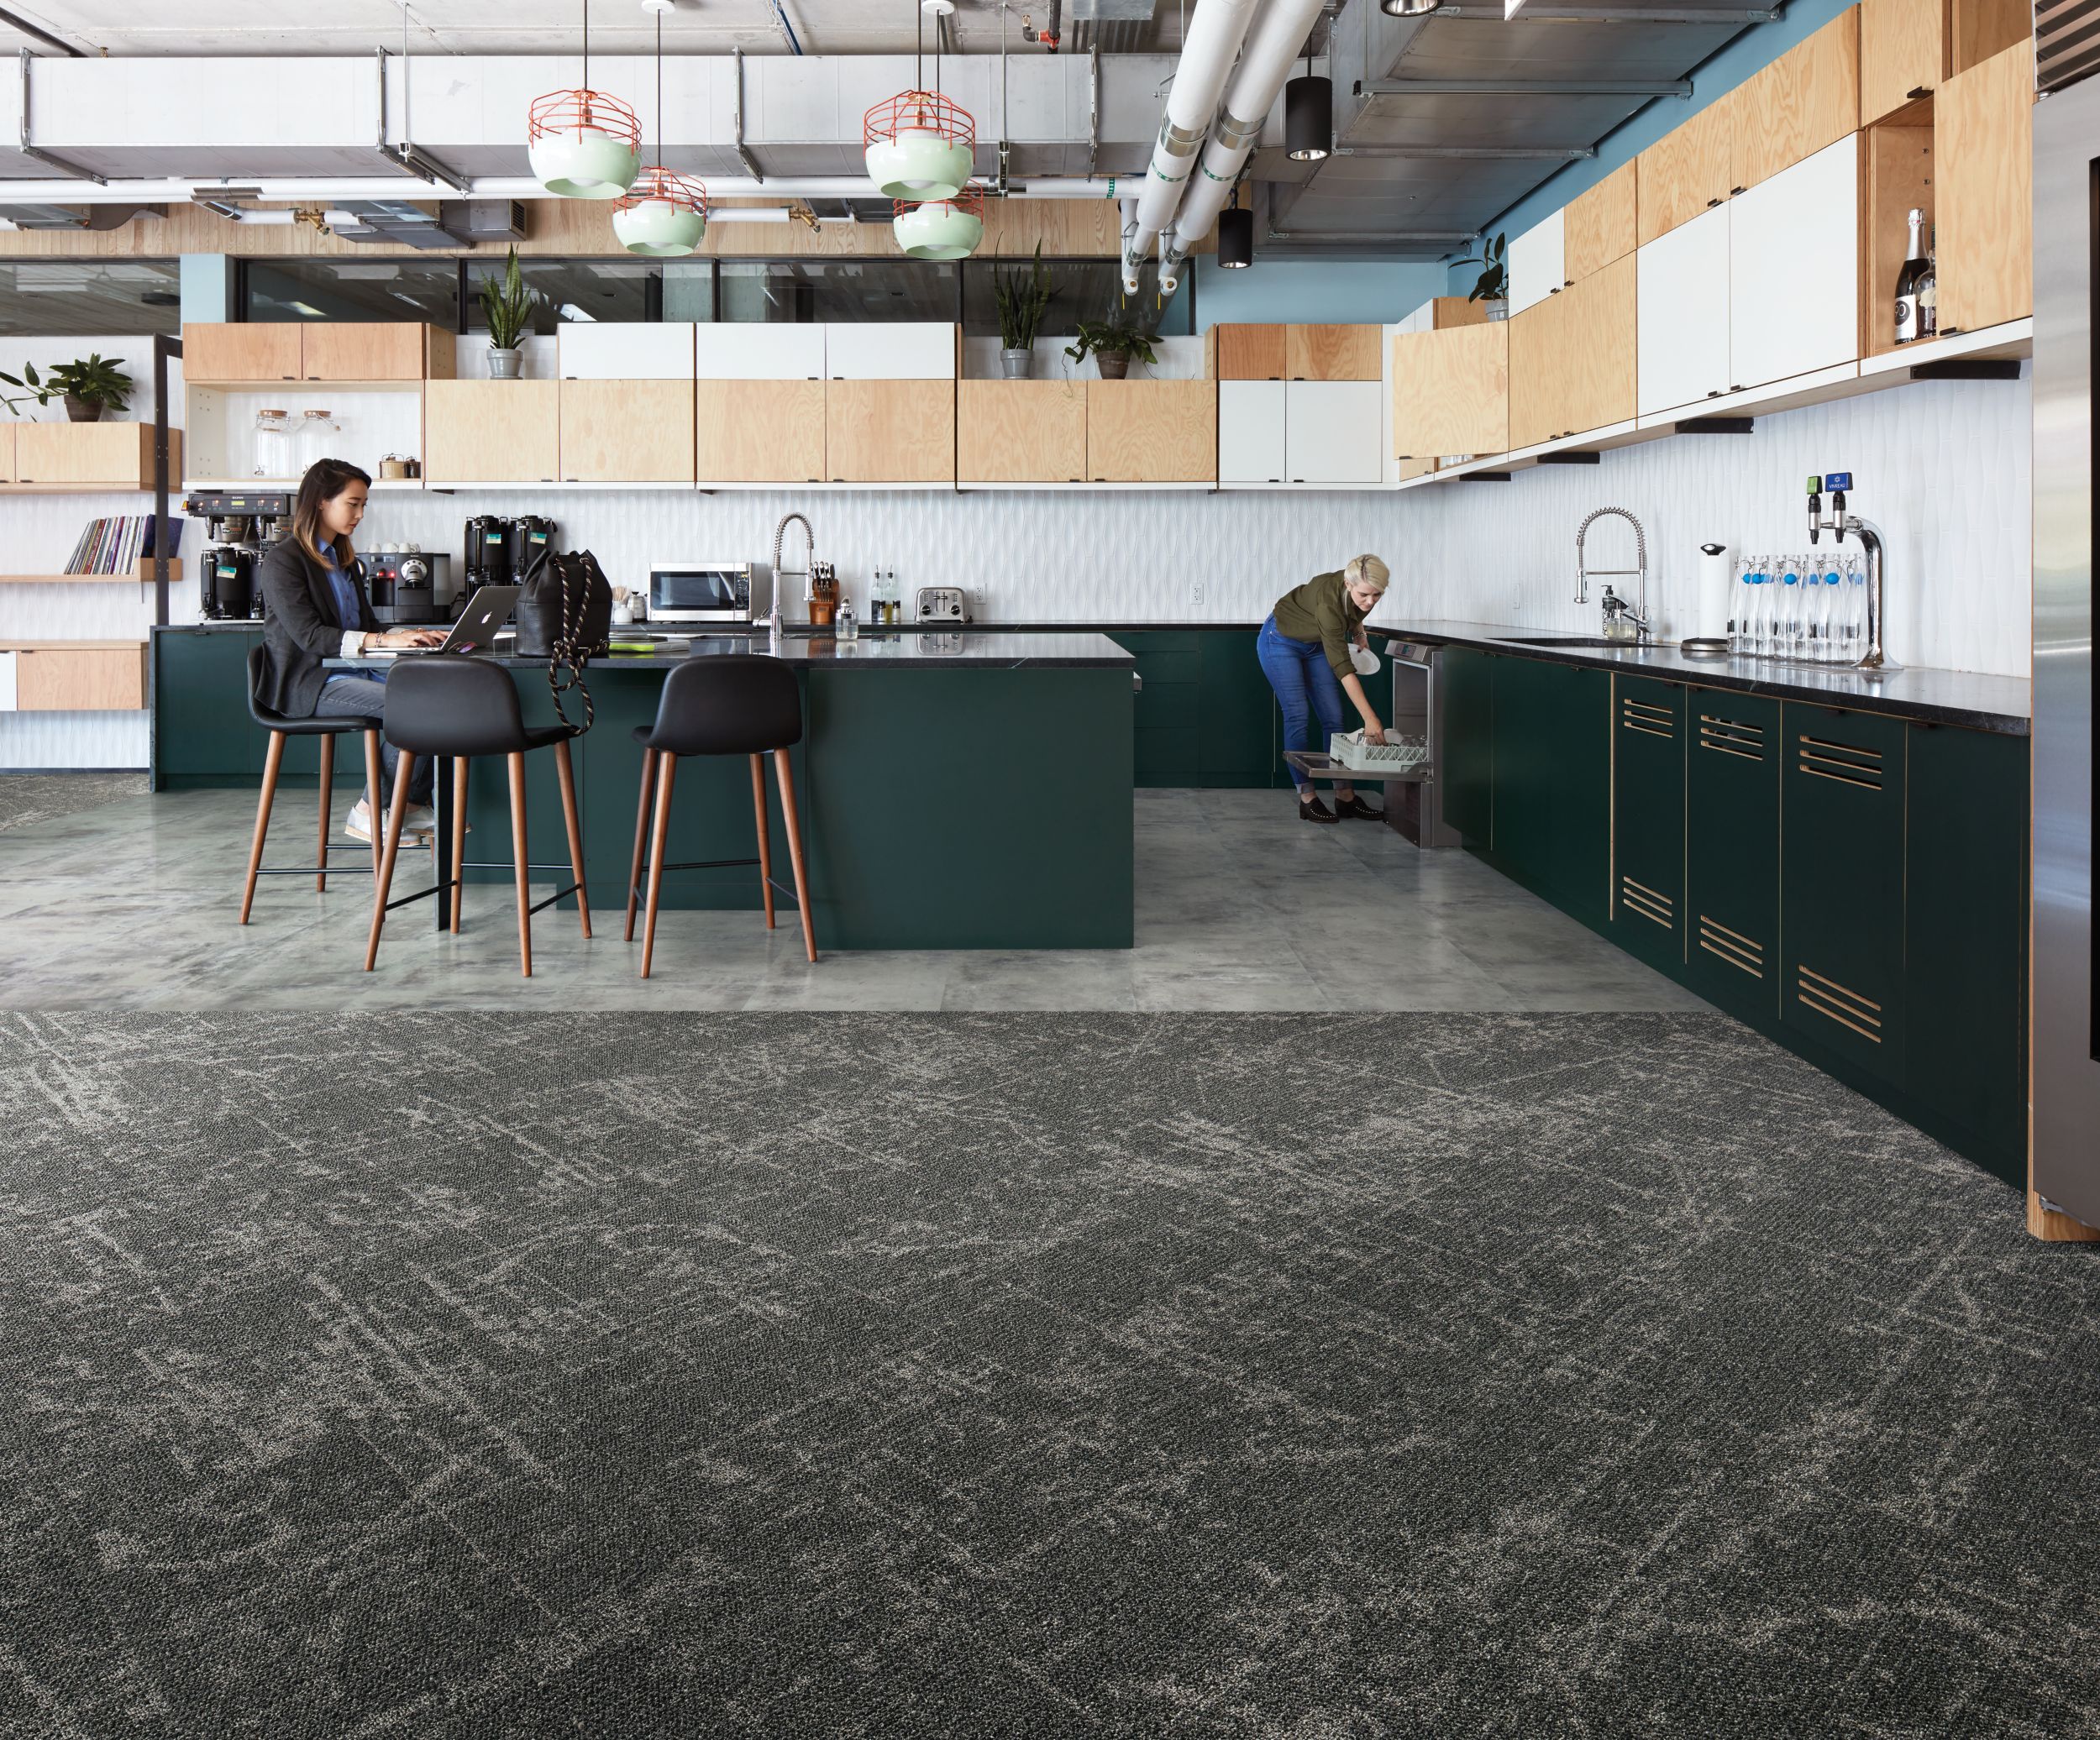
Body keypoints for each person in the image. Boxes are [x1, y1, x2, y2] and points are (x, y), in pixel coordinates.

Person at [255, 459, 445, 844]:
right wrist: (384, 642)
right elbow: (311, 636)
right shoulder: (284, 562)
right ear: (321, 502)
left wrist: (406, 634)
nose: (360, 514)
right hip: (310, 681)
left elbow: (365, 628)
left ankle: (409, 805)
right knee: (410, 705)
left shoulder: (344, 561)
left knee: (440, 693)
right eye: (353, 504)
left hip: (352, 671)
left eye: (364, 506)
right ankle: (368, 810)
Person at [1257, 554, 1392, 823]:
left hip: (1316, 642)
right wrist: (1370, 718)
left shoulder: (1364, 584)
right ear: (1348, 584)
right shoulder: (1329, 604)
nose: (1370, 601)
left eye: (1377, 595)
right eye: (1365, 595)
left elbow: (1354, 611)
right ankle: (1307, 798)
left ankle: (1345, 797)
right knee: (1298, 715)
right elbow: (1343, 668)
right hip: (1281, 641)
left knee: (1334, 717)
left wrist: (1359, 630)